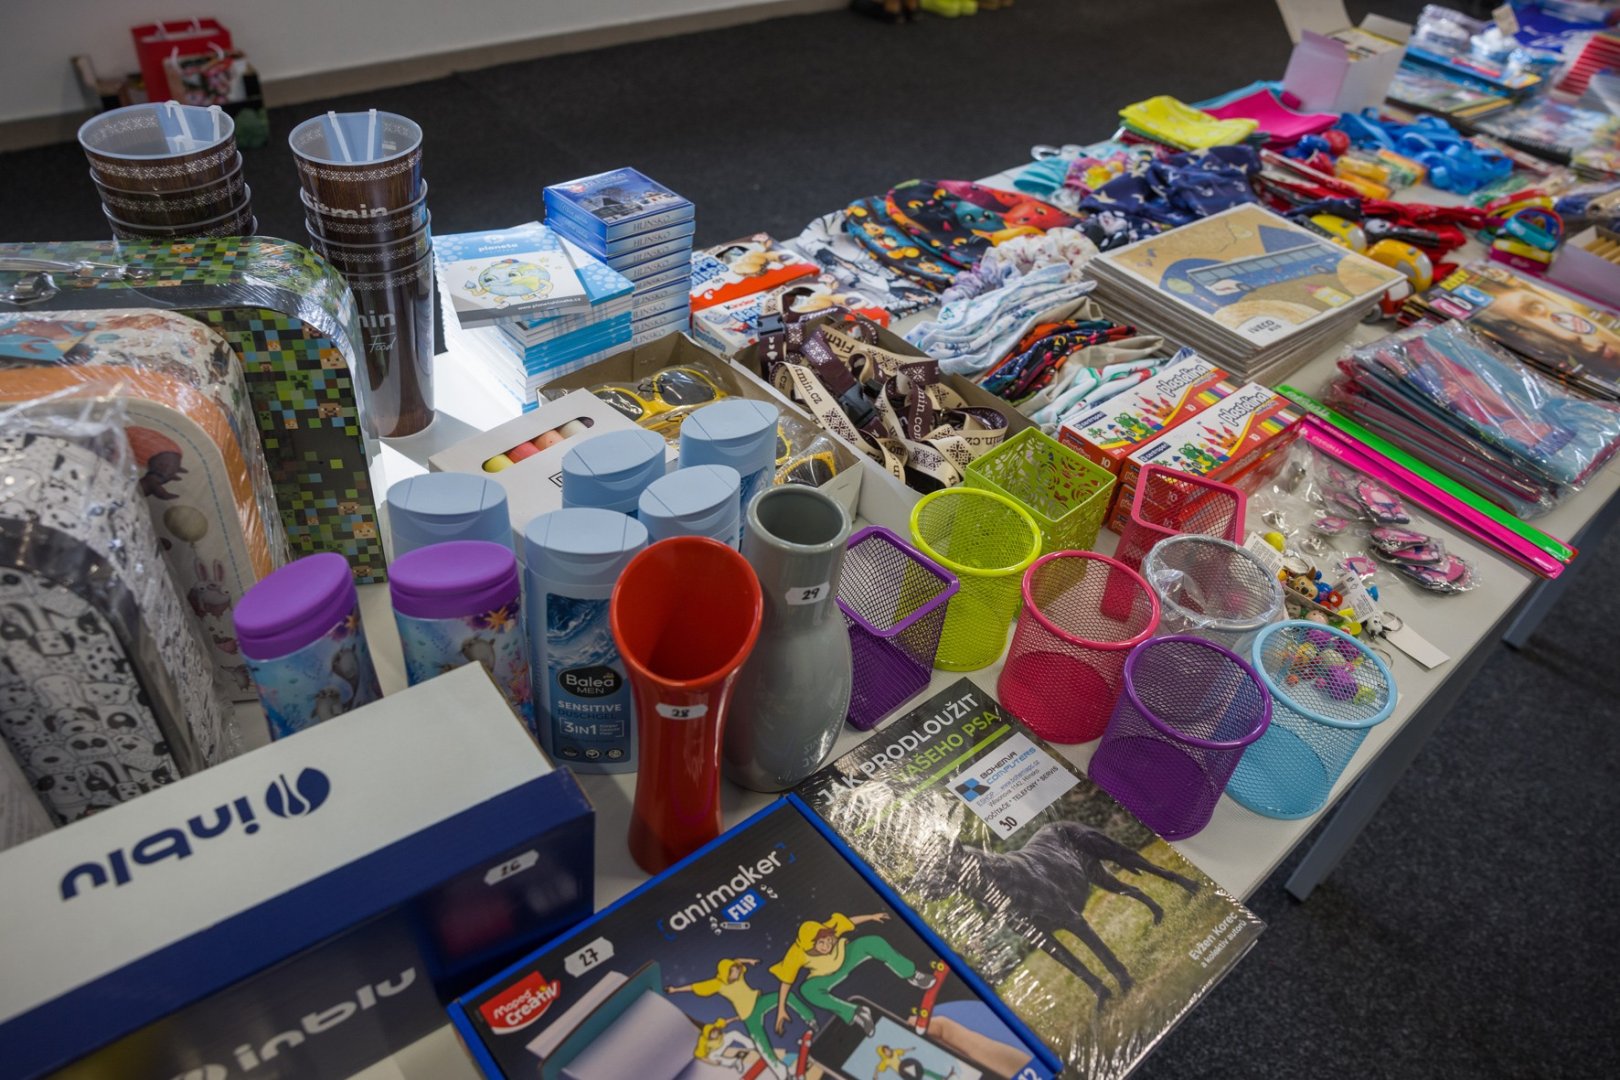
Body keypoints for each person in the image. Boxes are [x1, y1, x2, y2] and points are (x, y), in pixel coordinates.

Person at [769, 912, 934, 1036]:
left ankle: (912, 975)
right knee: (807, 990)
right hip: (825, 975)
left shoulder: (829, 929)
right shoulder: (796, 954)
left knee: (872, 941)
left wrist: (871, 916)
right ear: (810, 946)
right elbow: (786, 982)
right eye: (821, 944)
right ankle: (857, 1013)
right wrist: (781, 1008)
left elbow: (849, 921)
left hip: (845, 957)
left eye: (828, 940)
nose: (826, 945)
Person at [669, 958, 815, 1075]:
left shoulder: (738, 973)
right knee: (762, 1045)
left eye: (738, 970)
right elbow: (695, 987)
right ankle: (780, 1071)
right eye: (734, 971)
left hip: (758, 1001)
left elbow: (737, 961)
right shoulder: (717, 984)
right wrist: (675, 990)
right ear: (726, 973)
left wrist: (749, 961)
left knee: (786, 996)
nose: (738, 973)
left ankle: (809, 1018)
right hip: (748, 1015)